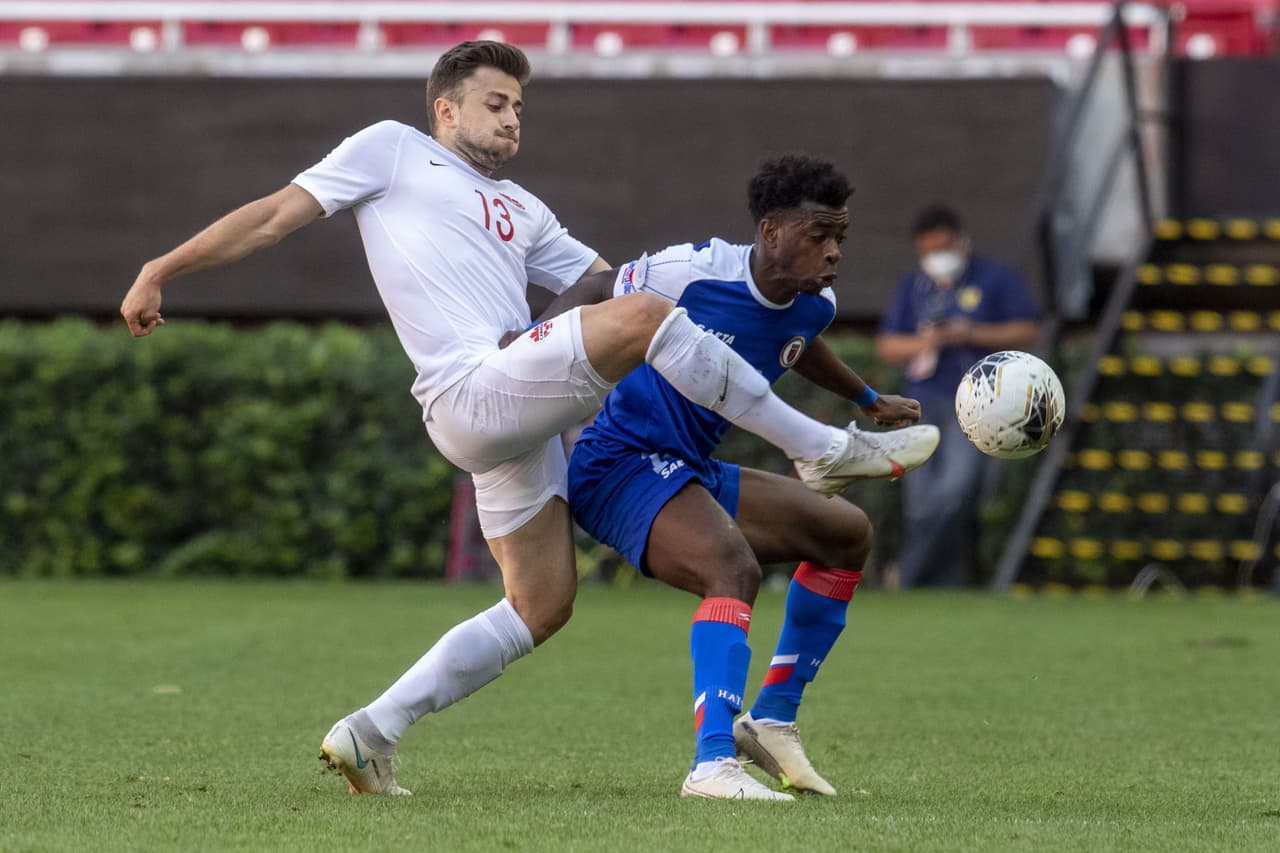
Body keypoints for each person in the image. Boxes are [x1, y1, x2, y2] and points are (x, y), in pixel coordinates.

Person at [118, 41, 939, 797]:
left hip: (518, 411)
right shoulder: (391, 149)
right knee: (647, 318)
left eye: (518, 106)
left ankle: (370, 730)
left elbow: (611, 281)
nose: (513, 118)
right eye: (496, 102)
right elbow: (270, 216)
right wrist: (162, 267)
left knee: (540, 603)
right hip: (470, 387)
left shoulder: (524, 208)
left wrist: (745, 320)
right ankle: (819, 449)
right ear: (445, 109)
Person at [529, 154, 936, 800]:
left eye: (841, 237)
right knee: (731, 568)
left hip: (688, 469)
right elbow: (602, 288)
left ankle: (771, 719)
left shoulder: (814, 306)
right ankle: (712, 764)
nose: (834, 252)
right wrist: (527, 348)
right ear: (771, 231)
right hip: (617, 465)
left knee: (846, 533)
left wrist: (866, 399)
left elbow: (796, 344)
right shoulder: (689, 273)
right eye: (819, 235)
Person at [875, 205, 1040, 588]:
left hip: (978, 402)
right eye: (928, 251)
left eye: (944, 247)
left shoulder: (995, 278)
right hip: (920, 403)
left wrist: (971, 334)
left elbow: (1028, 330)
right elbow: (887, 344)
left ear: (962, 241)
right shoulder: (913, 287)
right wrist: (927, 341)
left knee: (956, 491)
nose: (937, 257)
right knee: (920, 500)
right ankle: (942, 583)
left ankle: (904, 574)